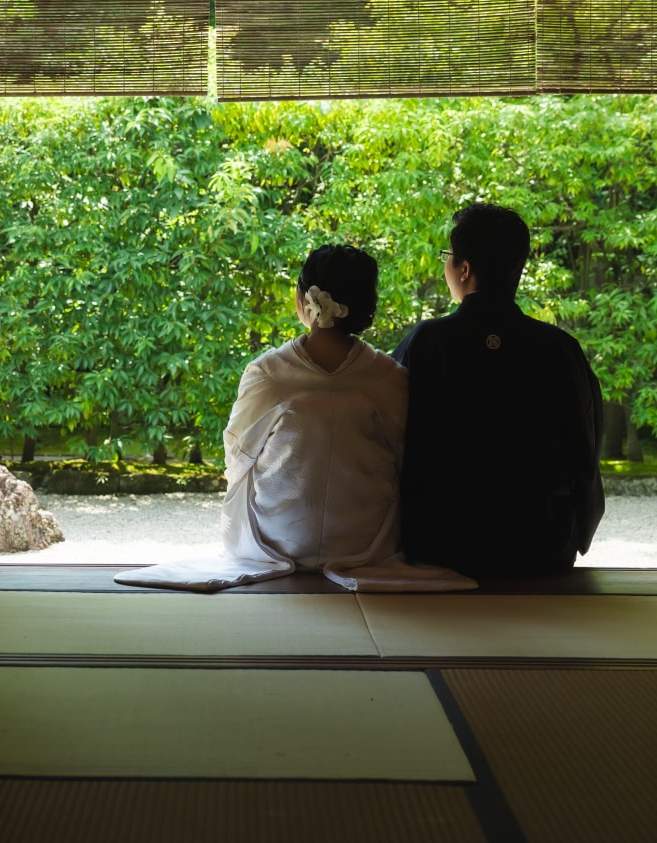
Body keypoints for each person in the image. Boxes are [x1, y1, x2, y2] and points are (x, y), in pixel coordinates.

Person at [115, 244, 476, 592]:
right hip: (365, 546)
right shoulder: (390, 377)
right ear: (366, 307)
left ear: (303, 300)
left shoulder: (268, 372)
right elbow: (402, 458)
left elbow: (237, 457)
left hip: (277, 541)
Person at [393, 203, 605, 578]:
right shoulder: (559, 348)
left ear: (464, 267)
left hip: (440, 547)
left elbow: (386, 439)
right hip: (541, 548)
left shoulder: (427, 342)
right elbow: (584, 454)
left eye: (448, 257)